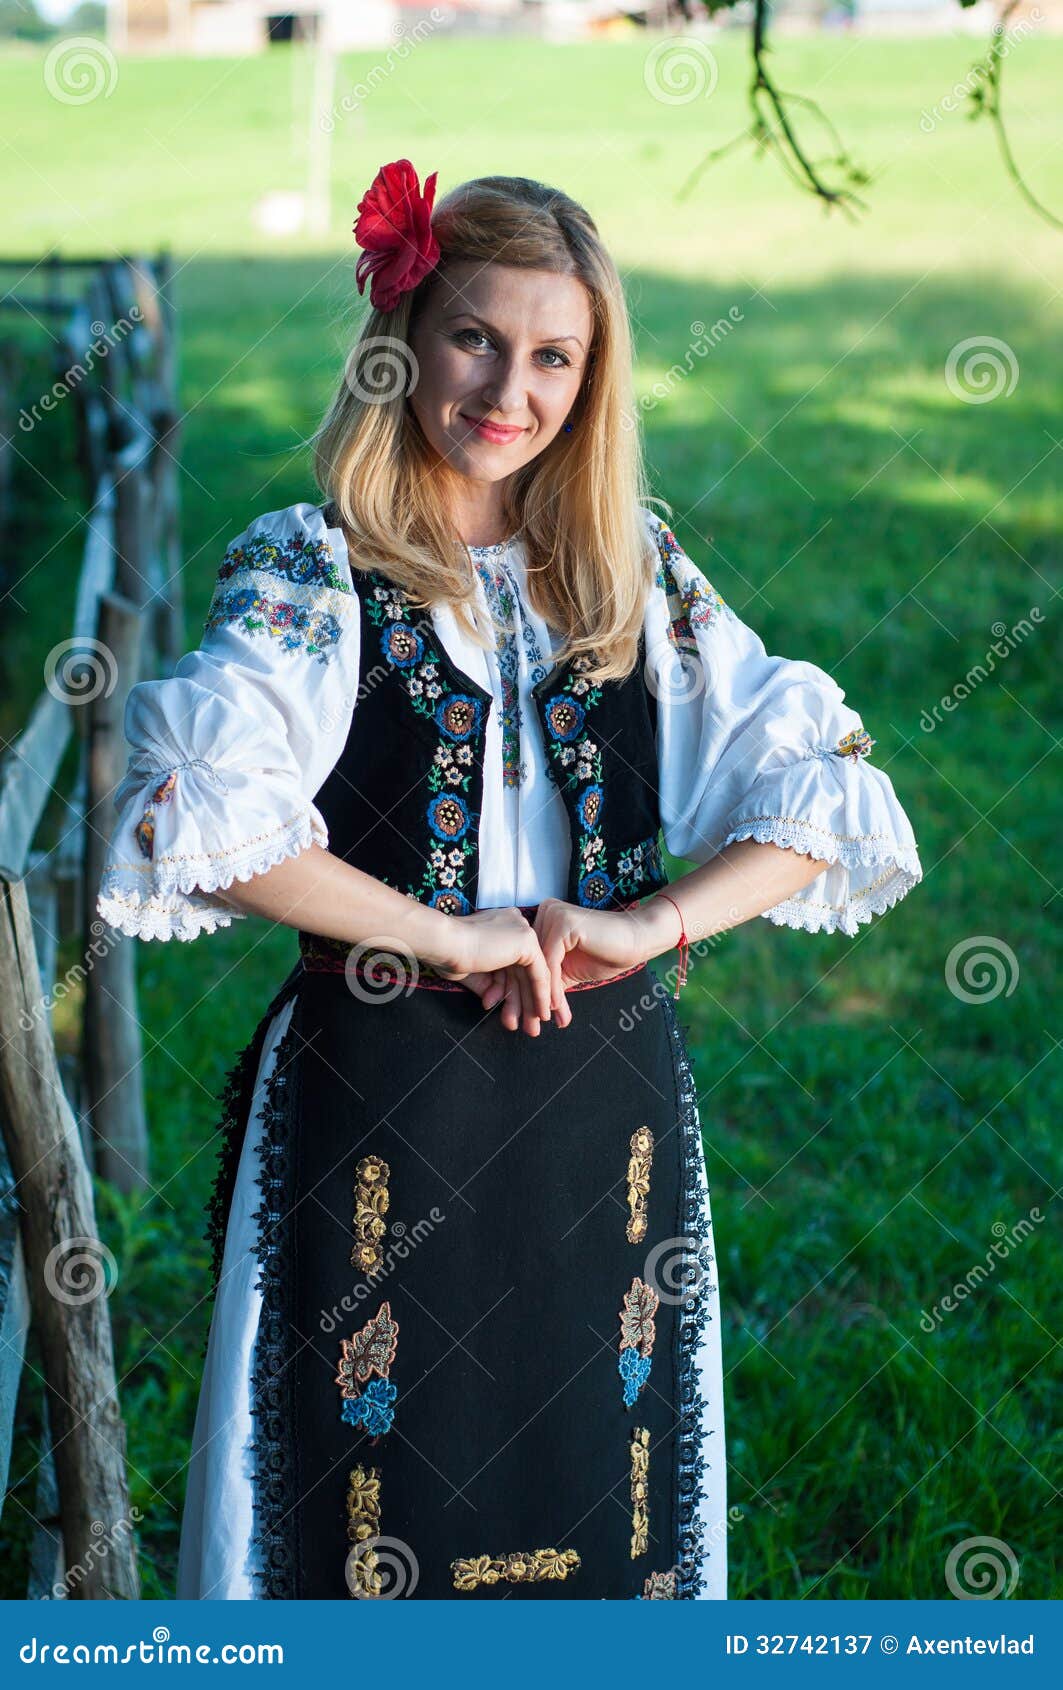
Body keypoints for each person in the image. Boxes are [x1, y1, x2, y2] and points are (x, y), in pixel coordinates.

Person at [96, 161, 922, 1601]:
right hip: (382, 1094)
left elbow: (827, 795)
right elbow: (198, 813)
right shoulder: (317, 571)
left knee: (602, 1490)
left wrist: (651, 915)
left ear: (593, 376)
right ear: (405, 334)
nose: (507, 389)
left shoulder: (630, 576)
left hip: (606, 1114)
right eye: (475, 336)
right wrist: (443, 933)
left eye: (554, 356)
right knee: (362, 1504)